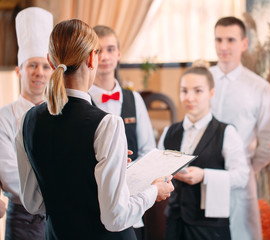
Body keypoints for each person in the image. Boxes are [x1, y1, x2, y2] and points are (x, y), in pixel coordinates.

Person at [15, 19, 174, 240]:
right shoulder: (108, 124)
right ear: (92, 58)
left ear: (50, 61)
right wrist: (154, 191)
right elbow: (115, 217)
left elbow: (34, 203)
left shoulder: (27, 120)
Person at [158, 62, 250, 240]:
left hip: (210, 227)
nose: (189, 98)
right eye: (184, 91)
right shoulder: (170, 132)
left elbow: (242, 176)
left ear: (211, 93)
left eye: (198, 91)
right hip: (175, 222)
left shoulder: (226, 132)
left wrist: (204, 175)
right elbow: (159, 169)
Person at [209, 16, 270, 240]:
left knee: (242, 234)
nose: (223, 46)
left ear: (244, 44)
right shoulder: (203, 81)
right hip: (204, 176)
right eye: (219, 39)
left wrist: (247, 167)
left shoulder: (260, 87)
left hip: (240, 178)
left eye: (230, 40)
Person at [88, 25, 155, 240]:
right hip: (92, 203)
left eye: (110, 49)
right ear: (90, 56)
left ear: (119, 54)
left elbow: (148, 150)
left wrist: (133, 178)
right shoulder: (82, 102)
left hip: (133, 202)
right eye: (98, 51)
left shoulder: (134, 99)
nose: (105, 57)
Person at [0, 7, 53, 240]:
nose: (39, 73)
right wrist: (58, 193)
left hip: (60, 219)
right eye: (32, 65)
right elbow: (10, 173)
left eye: (45, 66)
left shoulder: (61, 114)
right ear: (19, 71)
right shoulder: (4, 117)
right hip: (23, 220)